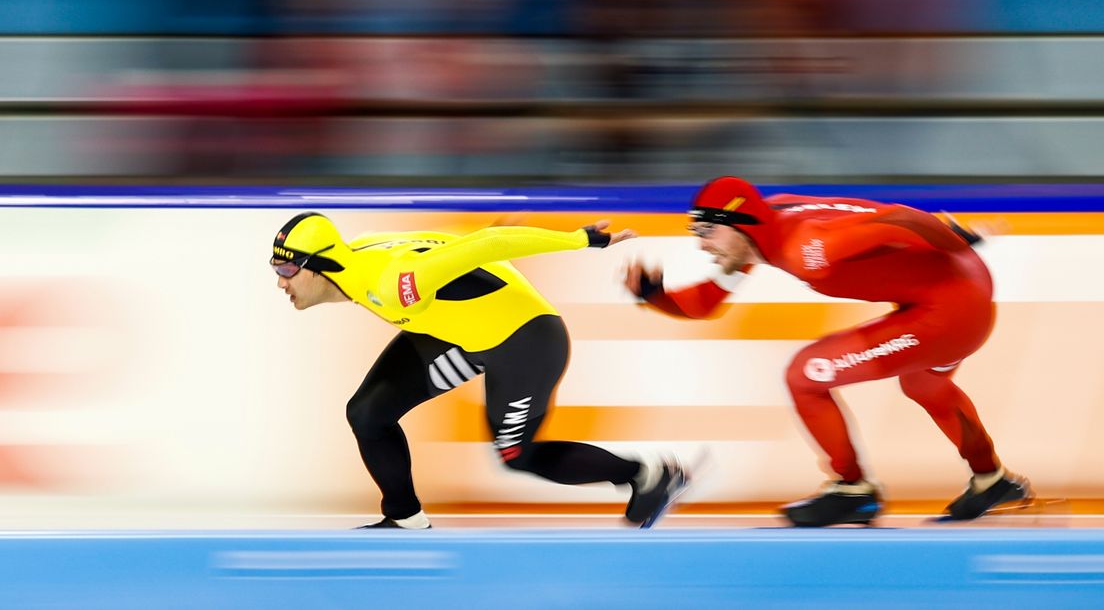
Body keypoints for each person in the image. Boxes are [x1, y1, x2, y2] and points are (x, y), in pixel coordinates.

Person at [623, 176, 1030, 527]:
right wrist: (654, 296)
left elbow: (899, 220)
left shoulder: (809, 248)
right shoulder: (766, 225)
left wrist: (956, 237)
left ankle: (852, 490)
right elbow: (707, 302)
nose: (702, 245)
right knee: (925, 387)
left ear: (740, 225)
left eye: (707, 232)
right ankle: (992, 481)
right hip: (955, 293)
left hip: (951, 307)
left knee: (807, 374)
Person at [270, 212, 687, 529]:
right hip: (461, 332)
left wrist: (583, 240)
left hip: (525, 340)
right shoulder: (359, 254)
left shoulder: (391, 283)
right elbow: (451, 248)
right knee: (367, 414)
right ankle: (405, 519)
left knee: (516, 455)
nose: (281, 283)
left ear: (317, 265)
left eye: (287, 270)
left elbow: (491, 242)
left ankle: (647, 475)